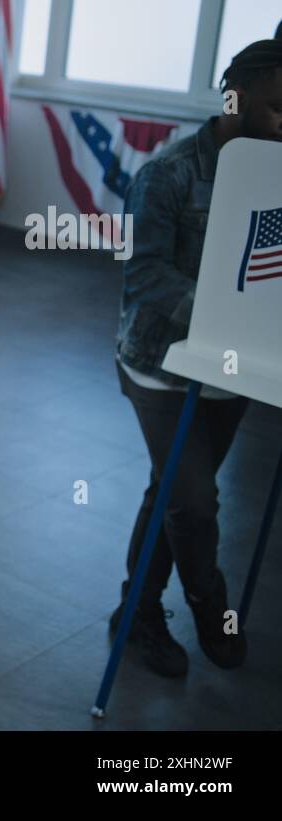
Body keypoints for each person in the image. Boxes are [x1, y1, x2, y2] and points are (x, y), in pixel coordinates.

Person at [112, 39, 282, 678]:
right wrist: (224, 314)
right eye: (278, 111)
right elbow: (144, 280)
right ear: (236, 99)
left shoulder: (273, 173)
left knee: (170, 493)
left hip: (228, 369)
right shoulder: (170, 173)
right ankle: (210, 605)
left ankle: (136, 613)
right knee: (195, 503)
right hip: (158, 365)